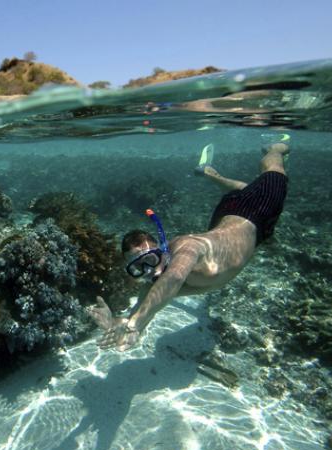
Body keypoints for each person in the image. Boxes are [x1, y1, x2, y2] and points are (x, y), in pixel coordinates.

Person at [92, 140, 290, 351]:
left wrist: (136, 325)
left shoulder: (189, 247)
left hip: (258, 211)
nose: (149, 271)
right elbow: (142, 310)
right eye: (138, 268)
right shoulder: (156, 286)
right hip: (226, 217)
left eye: (150, 260)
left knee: (272, 169)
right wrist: (117, 324)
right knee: (244, 189)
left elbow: (175, 277)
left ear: (162, 251)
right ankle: (211, 174)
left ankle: (275, 148)